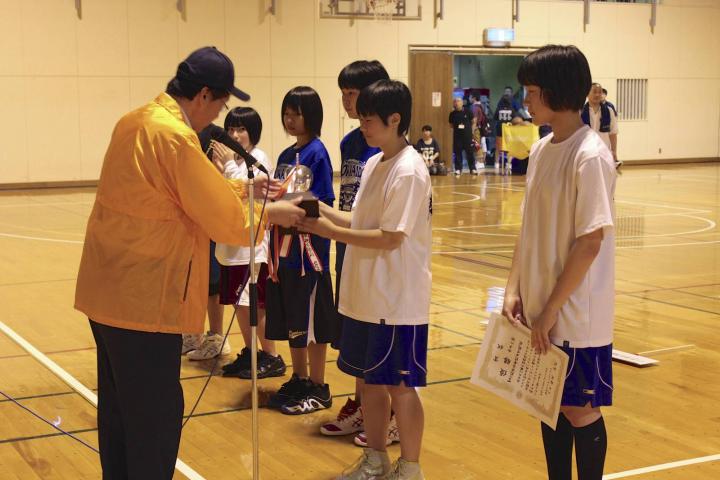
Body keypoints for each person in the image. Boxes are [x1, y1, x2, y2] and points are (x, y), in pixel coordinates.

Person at [74, 46, 304, 479]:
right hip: (144, 300)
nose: (220, 115)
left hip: (108, 294)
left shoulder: (136, 121)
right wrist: (270, 214)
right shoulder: (174, 137)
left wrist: (245, 191)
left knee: (121, 415)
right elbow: (221, 220)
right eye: (222, 103)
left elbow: (180, 193)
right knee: (153, 421)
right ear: (203, 95)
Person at [300, 79, 432, 480]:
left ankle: (410, 467)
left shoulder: (409, 170)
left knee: (400, 387)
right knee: (371, 384)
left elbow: (391, 237)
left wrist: (327, 232)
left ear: (395, 119)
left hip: (395, 302)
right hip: (365, 298)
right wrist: (310, 208)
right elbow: (357, 220)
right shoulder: (376, 162)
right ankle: (376, 459)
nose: (362, 128)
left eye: (369, 120)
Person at [503, 44, 616, 480]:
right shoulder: (541, 150)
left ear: (556, 91)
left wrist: (551, 309)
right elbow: (528, 229)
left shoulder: (590, 155)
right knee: (548, 404)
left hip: (574, 312)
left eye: (531, 91)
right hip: (540, 309)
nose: (525, 100)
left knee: (579, 410)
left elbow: (589, 242)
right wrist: (515, 289)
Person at [320, 60, 402, 446]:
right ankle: (361, 402)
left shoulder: (397, 157)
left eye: (352, 94)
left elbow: (390, 230)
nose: (346, 102)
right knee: (352, 330)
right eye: (344, 94)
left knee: (378, 336)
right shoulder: (353, 143)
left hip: (377, 251)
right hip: (349, 240)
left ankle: (388, 415)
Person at [265, 86, 337, 415]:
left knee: (312, 321)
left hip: (310, 255)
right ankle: (299, 376)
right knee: (293, 318)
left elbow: (319, 203)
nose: (290, 120)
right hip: (284, 254)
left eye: (296, 113)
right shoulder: (283, 157)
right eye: (286, 114)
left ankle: (318, 385)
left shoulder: (318, 153)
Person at [207, 107, 287, 378]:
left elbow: (250, 189)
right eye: (230, 129)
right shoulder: (231, 162)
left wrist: (227, 166)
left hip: (251, 247)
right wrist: (220, 170)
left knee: (253, 302)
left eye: (241, 129)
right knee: (239, 304)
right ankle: (252, 352)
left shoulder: (257, 158)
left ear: (253, 133)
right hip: (230, 244)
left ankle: (271, 355)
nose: (235, 135)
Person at [181, 125, 228, 360]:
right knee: (192, 281)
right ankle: (193, 332)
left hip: (210, 223)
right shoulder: (182, 133)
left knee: (213, 283)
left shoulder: (211, 136)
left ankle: (217, 335)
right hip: (190, 222)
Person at [582, 83, 620, 169]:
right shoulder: (580, 112)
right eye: (594, 92)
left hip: (604, 153)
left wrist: (614, 151)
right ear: (587, 94)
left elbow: (613, 133)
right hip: (586, 153)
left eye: (600, 92)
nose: (597, 94)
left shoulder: (609, 111)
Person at [449, 97, 477, 176]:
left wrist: (472, 131)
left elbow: (473, 121)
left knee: (470, 153)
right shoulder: (452, 114)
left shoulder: (468, 111)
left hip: (467, 136)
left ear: (462, 103)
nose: (456, 103)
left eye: (458, 101)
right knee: (457, 153)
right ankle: (458, 169)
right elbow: (450, 125)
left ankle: (473, 169)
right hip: (457, 137)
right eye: (455, 101)